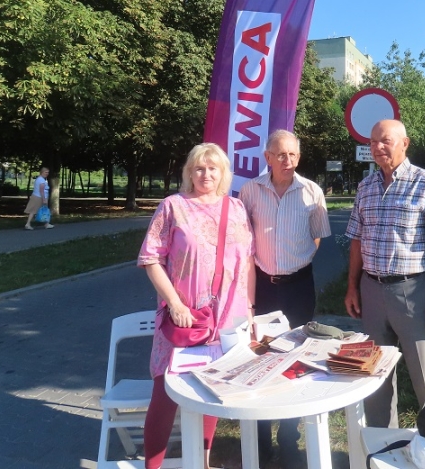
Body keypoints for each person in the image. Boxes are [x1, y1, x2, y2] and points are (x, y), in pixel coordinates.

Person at [138, 143, 255, 469]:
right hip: (185, 317)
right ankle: (152, 466)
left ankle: (202, 462)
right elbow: (150, 259)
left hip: (227, 319)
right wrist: (175, 304)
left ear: (223, 173)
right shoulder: (173, 206)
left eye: (213, 168)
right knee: (165, 393)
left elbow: (247, 260)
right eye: (199, 168)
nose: (206, 174)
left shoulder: (236, 208)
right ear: (189, 173)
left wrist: (249, 307)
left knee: (210, 391)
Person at [344, 119, 425, 428]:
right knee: (374, 378)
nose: (378, 147)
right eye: (373, 142)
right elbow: (356, 241)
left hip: (413, 293)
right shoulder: (365, 187)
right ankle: (383, 444)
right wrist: (352, 287)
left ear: (405, 143)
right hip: (371, 290)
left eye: (386, 141)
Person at [238, 129, 332, 466]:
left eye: (292, 154)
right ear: (267, 157)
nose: (287, 160)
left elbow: (318, 236)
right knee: (260, 356)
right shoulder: (250, 191)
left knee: (297, 358)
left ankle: (289, 437)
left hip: (298, 286)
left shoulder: (312, 192)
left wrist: (296, 260)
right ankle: (260, 440)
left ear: (299, 157)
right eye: (280, 154)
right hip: (263, 286)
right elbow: (241, 238)